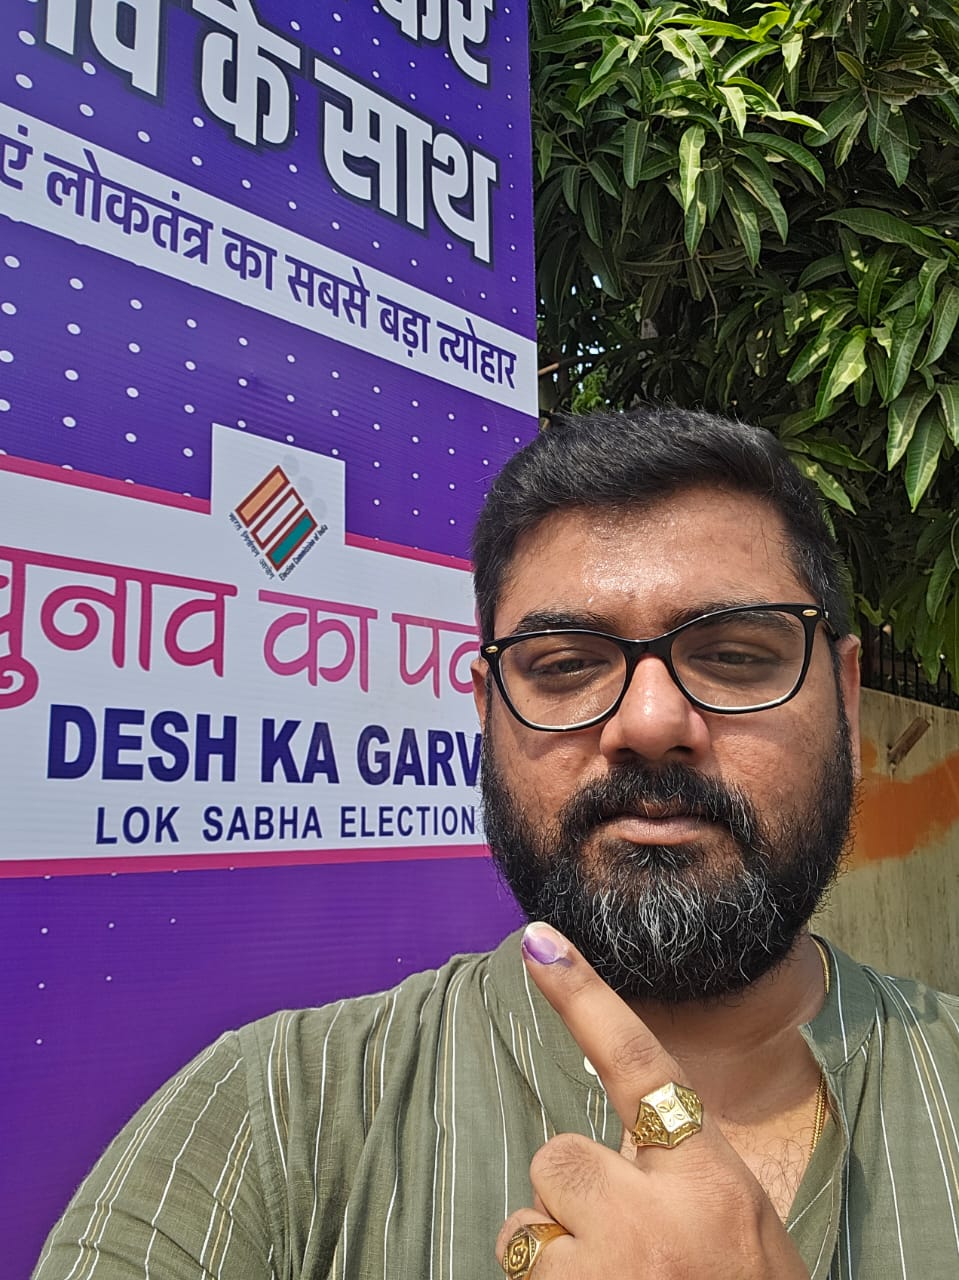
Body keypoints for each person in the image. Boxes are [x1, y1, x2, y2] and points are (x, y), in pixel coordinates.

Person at [33, 409, 959, 1280]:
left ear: (844, 699)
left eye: (734, 656)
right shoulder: (271, 1112)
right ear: (486, 713)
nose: (648, 723)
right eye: (565, 665)